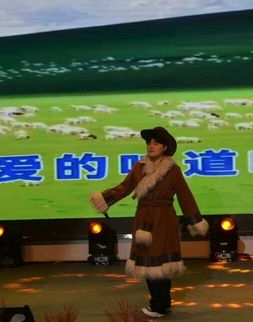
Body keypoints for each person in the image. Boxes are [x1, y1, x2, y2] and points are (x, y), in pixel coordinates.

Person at [89, 126, 208, 319]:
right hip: (144, 218)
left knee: (161, 264)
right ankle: (160, 303)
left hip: (163, 219)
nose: (151, 146)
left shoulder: (172, 170)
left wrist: (195, 220)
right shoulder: (139, 167)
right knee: (147, 262)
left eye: (156, 143)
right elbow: (124, 187)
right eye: (149, 143)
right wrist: (104, 199)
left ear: (165, 147)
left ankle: (160, 305)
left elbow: (185, 195)